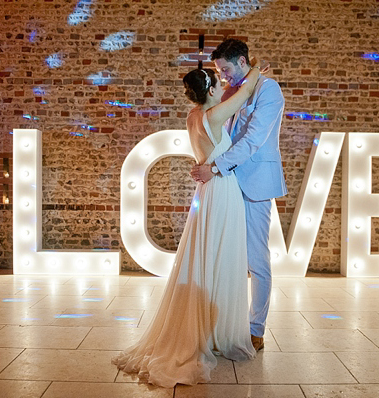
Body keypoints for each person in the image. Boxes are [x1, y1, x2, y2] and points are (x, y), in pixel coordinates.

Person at [112, 62, 263, 388]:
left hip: (205, 191)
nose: (224, 85)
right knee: (222, 257)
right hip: (222, 189)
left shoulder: (194, 116)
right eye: (219, 82)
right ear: (210, 91)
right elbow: (248, 90)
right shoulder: (214, 116)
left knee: (204, 256)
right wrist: (255, 69)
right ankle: (217, 333)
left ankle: (208, 328)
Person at [191, 38, 287, 352]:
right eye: (219, 72)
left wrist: (215, 166)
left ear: (242, 62)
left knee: (257, 260)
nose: (224, 77)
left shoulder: (269, 90)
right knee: (228, 258)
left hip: (254, 184)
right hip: (228, 185)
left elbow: (254, 140)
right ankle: (225, 327)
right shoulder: (235, 90)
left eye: (227, 69)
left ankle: (255, 329)